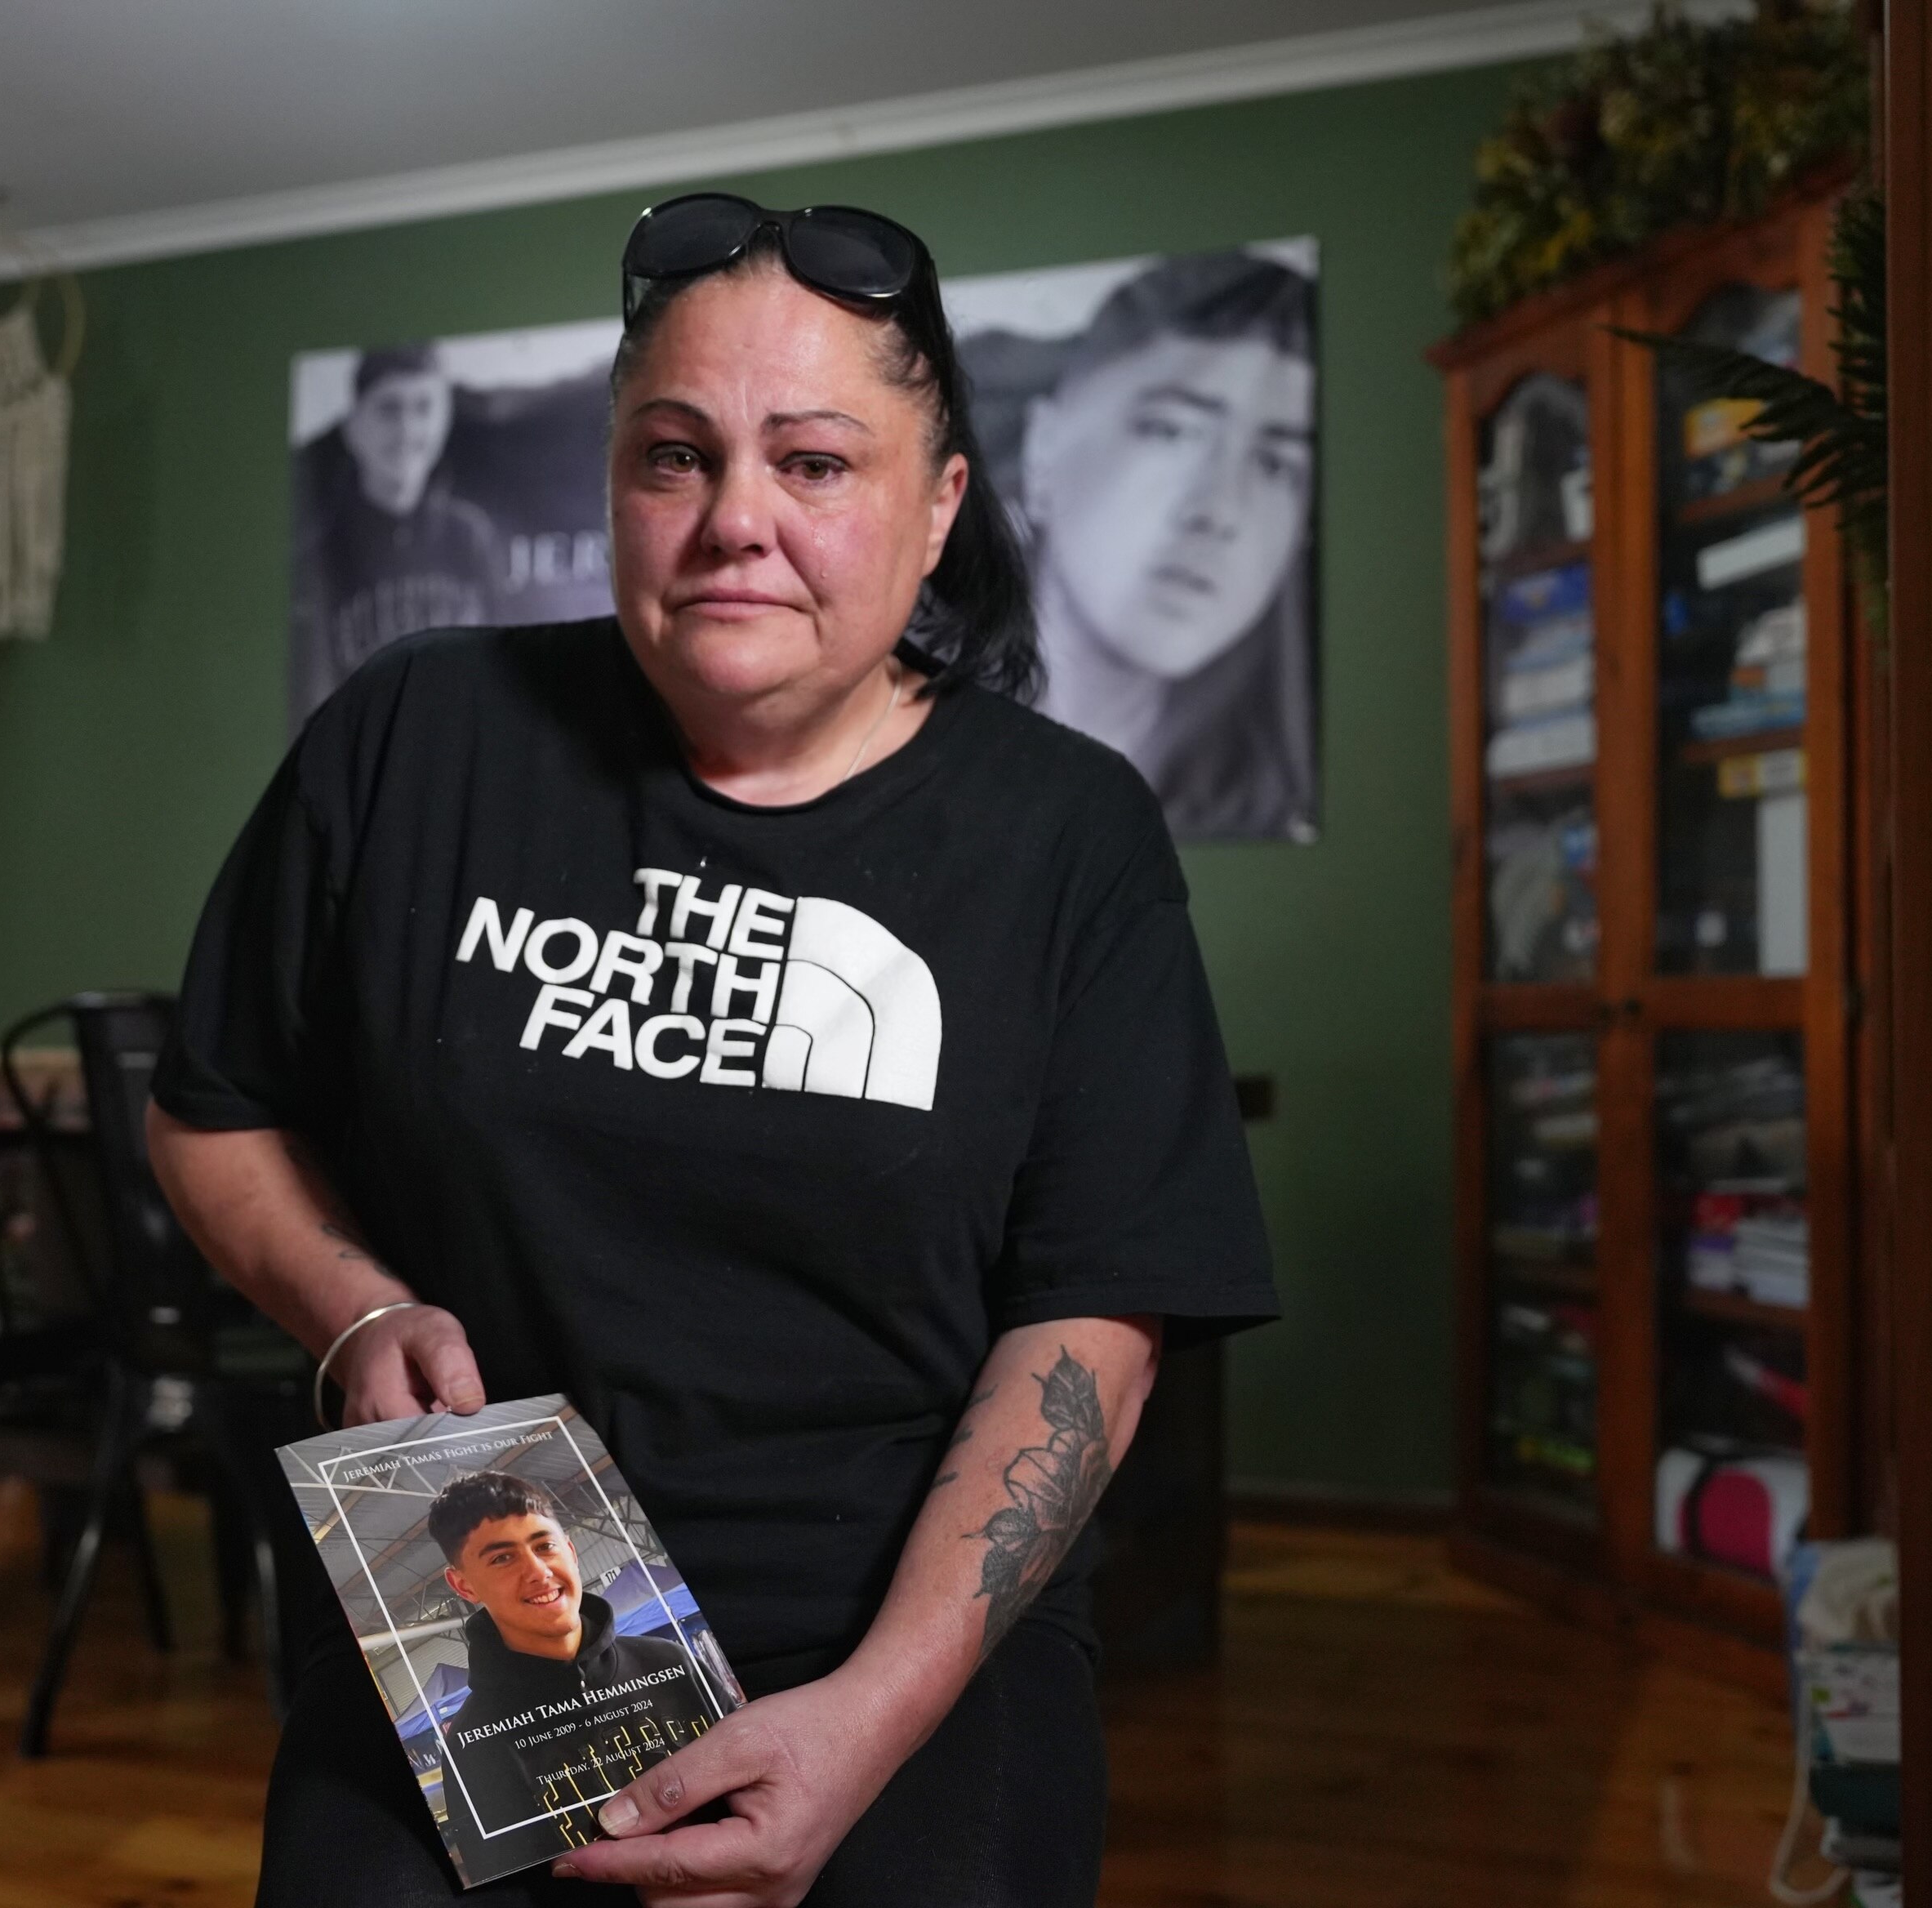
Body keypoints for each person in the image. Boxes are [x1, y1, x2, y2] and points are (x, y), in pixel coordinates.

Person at [152, 191, 1277, 1908]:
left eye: (815, 463)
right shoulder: (417, 734)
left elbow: (1092, 1331)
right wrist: (353, 1306)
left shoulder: (1067, 834)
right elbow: (214, 1113)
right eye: (673, 456)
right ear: (611, 479)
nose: (733, 520)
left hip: (901, 1621)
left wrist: (867, 1722)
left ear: (940, 502)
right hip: (479, 1593)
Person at [1017, 251, 1316, 840]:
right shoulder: (884, 755)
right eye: (1172, 431)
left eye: (1278, 466)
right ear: (1043, 451)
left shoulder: (1278, 817)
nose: (1219, 511)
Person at [422, 1473, 706, 1872]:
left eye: (545, 1546)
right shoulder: (474, 1743)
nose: (538, 1572)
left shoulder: (670, 1663)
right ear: (463, 1586)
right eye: (503, 1558)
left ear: (571, 1552)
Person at [288, 344, 505, 724]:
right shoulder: (321, 553)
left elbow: (504, 679)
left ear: (445, 418)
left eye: (423, 407)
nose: (407, 430)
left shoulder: (471, 537)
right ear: (353, 425)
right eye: (389, 408)